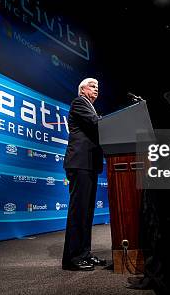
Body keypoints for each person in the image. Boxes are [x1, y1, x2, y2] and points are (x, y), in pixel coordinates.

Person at [62, 78, 108, 271]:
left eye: (98, 86)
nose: (96, 88)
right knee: (78, 212)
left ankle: (84, 253)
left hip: (89, 165)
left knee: (87, 213)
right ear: (82, 89)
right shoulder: (79, 102)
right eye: (92, 85)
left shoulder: (90, 106)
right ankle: (72, 258)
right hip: (80, 163)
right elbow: (96, 124)